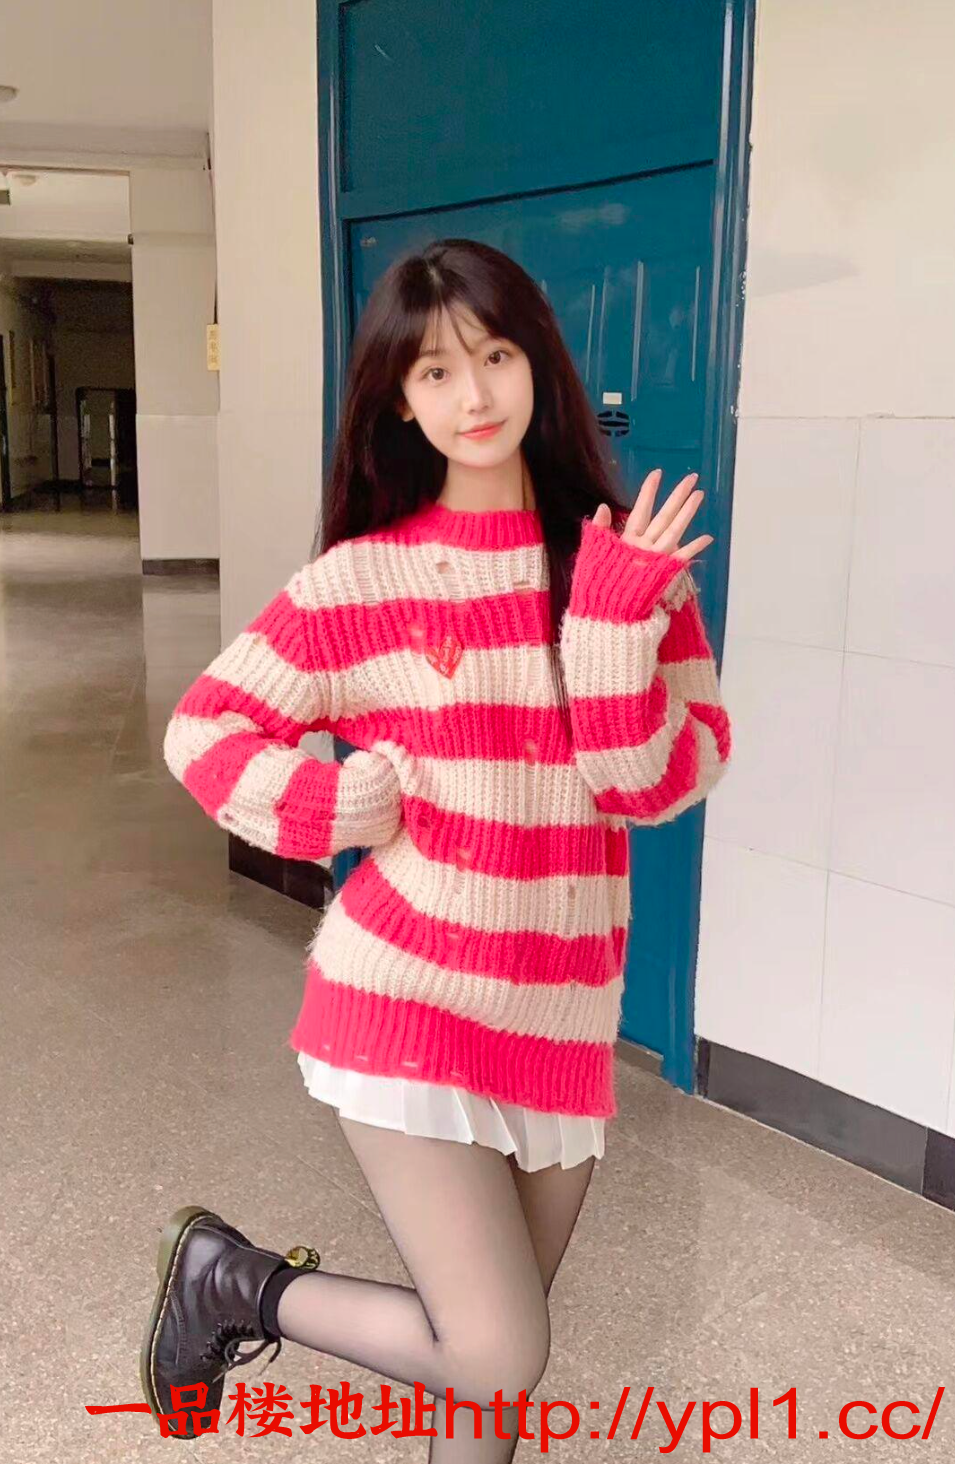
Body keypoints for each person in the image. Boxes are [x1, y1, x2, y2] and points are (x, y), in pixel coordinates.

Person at [139, 237, 732, 1455]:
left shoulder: (620, 565)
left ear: (538, 364)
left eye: (495, 356)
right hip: (406, 997)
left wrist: (610, 627)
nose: (473, 396)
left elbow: (653, 786)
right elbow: (204, 730)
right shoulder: (361, 582)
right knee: (498, 1351)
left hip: (560, 1017)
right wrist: (336, 809)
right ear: (399, 401)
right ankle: (235, 1285)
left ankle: (230, 1282)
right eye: (434, 372)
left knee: (485, 1377)